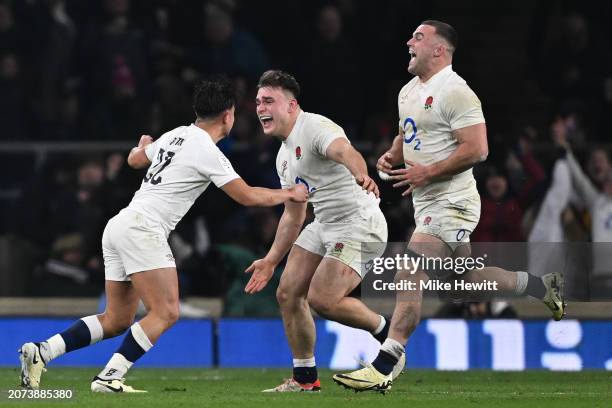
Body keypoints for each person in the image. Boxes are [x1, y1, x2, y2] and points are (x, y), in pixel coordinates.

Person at [18, 76, 308, 393]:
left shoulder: (176, 135)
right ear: (228, 115)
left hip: (120, 225)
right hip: (144, 228)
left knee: (116, 319)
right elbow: (248, 197)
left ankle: (43, 351)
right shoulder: (207, 150)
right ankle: (109, 377)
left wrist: (142, 146)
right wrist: (288, 193)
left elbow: (133, 160)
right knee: (167, 311)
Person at [332, 20, 565, 393]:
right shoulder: (408, 91)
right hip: (426, 202)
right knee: (462, 282)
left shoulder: (457, 92)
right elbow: (411, 130)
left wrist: (428, 172)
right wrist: (394, 153)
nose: (409, 41)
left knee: (408, 270)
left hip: (453, 202)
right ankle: (539, 285)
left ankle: (385, 363)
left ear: (439, 50)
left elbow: (478, 148)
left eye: (418, 38)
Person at [244, 70, 402, 392]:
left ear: (291, 105)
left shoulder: (314, 126)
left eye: (269, 101)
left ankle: (390, 338)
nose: (261, 107)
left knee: (323, 299)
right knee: (287, 293)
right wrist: (271, 260)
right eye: (258, 101)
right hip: (325, 224)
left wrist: (362, 174)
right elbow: (293, 214)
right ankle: (305, 380)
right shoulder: (283, 156)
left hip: (360, 223)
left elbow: (346, 152)